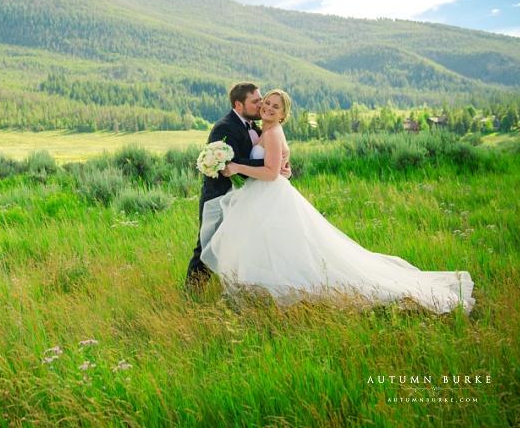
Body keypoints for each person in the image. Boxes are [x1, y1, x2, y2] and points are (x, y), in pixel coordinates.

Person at [199, 89, 475, 315]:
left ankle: (289, 291)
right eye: (265, 103)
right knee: (268, 245)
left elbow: (271, 173)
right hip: (261, 196)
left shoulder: (271, 132)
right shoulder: (263, 130)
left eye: (275, 106)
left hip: (270, 195)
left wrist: (236, 167)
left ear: (284, 114)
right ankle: (262, 293)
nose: (268, 107)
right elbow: (275, 163)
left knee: (287, 247)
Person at [185, 82, 291, 289]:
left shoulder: (258, 126)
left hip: (246, 196)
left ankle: (250, 286)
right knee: (208, 244)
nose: (262, 105)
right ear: (239, 105)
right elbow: (237, 162)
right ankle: (192, 293)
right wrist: (273, 165)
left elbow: (271, 151)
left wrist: (282, 165)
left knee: (245, 244)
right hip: (219, 195)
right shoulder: (226, 127)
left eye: (263, 101)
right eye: (257, 101)